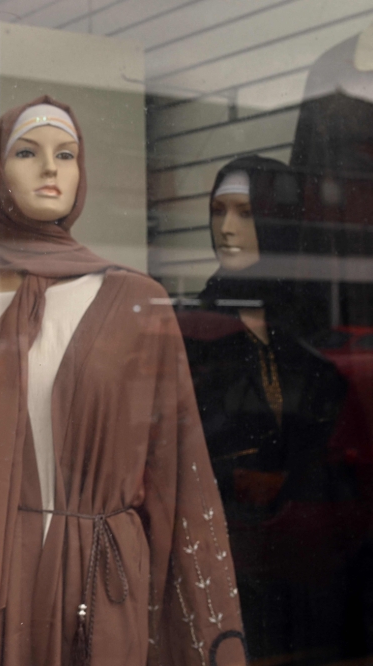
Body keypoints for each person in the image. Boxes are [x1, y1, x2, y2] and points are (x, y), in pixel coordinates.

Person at [0, 96, 246, 666]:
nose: (50, 168)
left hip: (104, 584)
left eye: (66, 154)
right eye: (27, 152)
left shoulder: (137, 303)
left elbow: (177, 472)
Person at [179, 156, 355, 661]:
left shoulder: (313, 326)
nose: (227, 229)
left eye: (246, 212)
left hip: (319, 564)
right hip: (232, 560)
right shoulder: (195, 330)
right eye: (218, 212)